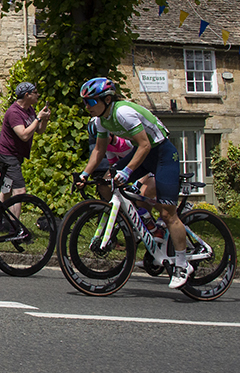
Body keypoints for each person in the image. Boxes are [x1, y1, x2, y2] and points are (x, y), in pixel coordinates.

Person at [76, 77, 193, 289]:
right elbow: (99, 150)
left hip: (162, 154)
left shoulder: (122, 113)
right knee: (109, 181)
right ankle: (150, 227)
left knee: (168, 213)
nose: (87, 107)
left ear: (107, 99)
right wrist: (84, 174)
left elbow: (145, 144)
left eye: (91, 102)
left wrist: (128, 170)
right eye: (85, 103)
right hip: (144, 153)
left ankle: (183, 263)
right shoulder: (103, 120)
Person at [0, 81, 51, 204]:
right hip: (7, 157)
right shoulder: (14, 112)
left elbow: (39, 130)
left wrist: (45, 120)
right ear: (27, 95)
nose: (38, 95)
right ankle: (13, 223)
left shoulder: (29, 109)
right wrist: (38, 118)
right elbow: (24, 135)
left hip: (15, 156)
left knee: (7, 190)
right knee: (19, 191)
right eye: (35, 93)